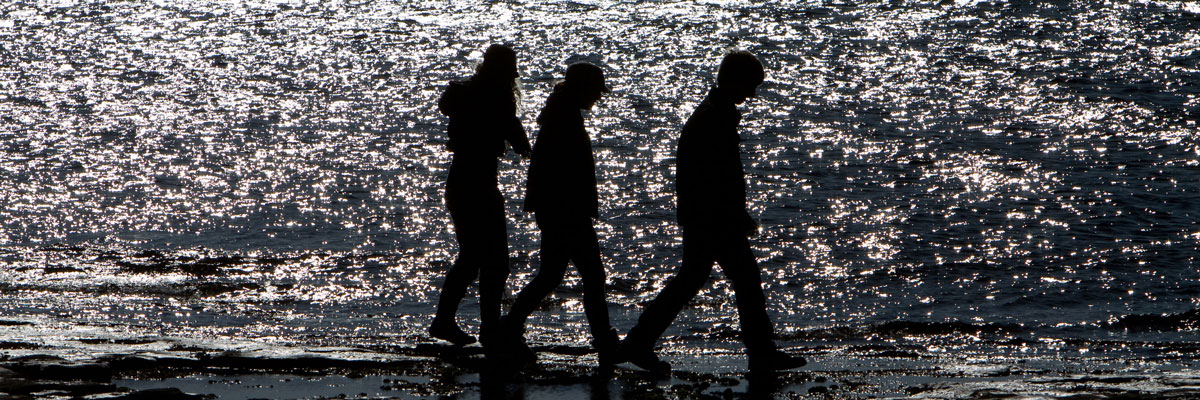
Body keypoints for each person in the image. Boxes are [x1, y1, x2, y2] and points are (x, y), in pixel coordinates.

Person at [617, 51, 806, 375]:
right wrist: (735, 213)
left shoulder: (713, 113)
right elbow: (719, 176)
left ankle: (640, 341)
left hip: (703, 215)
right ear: (735, 81)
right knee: (743, 281)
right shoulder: (715, 117)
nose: (752, 94)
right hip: (714, 217)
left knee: (693, 281)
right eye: (750, 86)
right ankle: (761, 354)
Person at [498, 62, 619, 367]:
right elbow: (563, 171)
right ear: (583, 89)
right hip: (565, 210)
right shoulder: (564, 118)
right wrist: (575, 207)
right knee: (590, 275)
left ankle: (510, 329)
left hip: (559, 208)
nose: (597, 98)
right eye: (595, 91)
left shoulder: (560, 113)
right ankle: (604, 342)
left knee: (552, 276)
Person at [429, 44, 532, 351]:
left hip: (463, 181)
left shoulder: (468, 93)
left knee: (474, 258)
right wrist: (528, 149)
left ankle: (452, 322)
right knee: (493, 261)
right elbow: (510, 127)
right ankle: (485, 329)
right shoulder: (495, 95)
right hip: (478, 184)